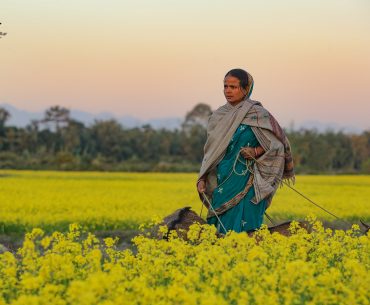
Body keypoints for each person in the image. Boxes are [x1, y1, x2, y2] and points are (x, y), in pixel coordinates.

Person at [197, 68, 295, 234]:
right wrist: (203, 177)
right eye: (225, 86)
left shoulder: (258, 114)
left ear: (245, 89)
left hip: (249, 181)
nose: (228, 91)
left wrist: (256, 150)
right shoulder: (218, 116)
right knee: (218, 226)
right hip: (222, 179)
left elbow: (278, 145)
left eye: (233, 87)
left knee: (248, 230)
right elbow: (211, 153)